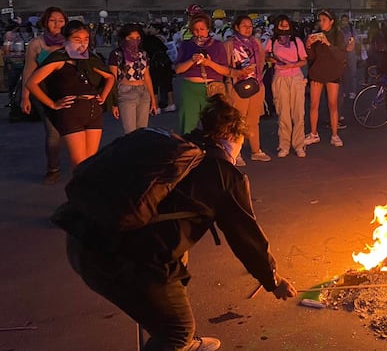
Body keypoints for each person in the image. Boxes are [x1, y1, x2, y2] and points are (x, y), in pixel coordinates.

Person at [62, 94, 298, 351]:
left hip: (80, 233)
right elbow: (246, 237)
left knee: (178, 268)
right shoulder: (224, 175)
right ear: (232, 139)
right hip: (118, 260)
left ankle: (177, 336)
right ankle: (180, 340)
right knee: (176, 331)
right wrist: (272, 280)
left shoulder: (177, 147)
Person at [26, 20, 116, 168]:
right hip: (71, 112)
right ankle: (79, 189)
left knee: (92, 161)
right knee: (79, 162)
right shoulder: (59, 59)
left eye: (86, 39)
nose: (82, 43)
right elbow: (31, 82)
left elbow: (110, 76)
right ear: (66, 39)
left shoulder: (91, 59)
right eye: (77, 39)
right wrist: (52, 104)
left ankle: (88, 190)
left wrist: (103, 96)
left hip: (93, 110)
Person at [20, 7, 68, 184]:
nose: (56, 24)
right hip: (44, 92)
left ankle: (81, 165)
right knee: (53, 132)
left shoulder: (70, 41)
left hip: (67, 91)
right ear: (45, 22)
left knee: (73, 131)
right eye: (52, 20)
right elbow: (29, 71)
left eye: (60, 20)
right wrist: (25, 96)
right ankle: (53, 169)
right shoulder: (37, 44)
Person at [174, 13, 236, 135]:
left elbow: (225, 70)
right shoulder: (186, 45)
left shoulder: (217, 45)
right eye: (195, 30)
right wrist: (192, 60)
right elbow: (178, 69)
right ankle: (189, 150)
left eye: (202, 29)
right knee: (188, 124)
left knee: (214, 123)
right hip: (190, 88)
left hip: (212, 88)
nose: (199, 33)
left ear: (208, 29)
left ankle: (213, 151)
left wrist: (209, 63)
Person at [223, 15, 270, 165]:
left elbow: (261, 60)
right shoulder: (229, 44)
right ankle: (235, 152)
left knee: (253, 120)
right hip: (238, 85)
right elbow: (225, 67)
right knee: (237, 119)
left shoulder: (256, 42)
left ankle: (256, 150)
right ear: (236, 27)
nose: (248, 28)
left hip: (256, 84)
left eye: (250, 26)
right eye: (244, 26)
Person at [266, 15, 308, 157]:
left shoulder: (296, 41)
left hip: (296, 77)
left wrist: (293, 65)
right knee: (283, 112)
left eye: (286, 25)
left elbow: (304, 60)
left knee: (298, 113)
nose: (284, 27)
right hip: (280, 79)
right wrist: (273, 60)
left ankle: (299, 145)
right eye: (281, 25)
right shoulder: (272, 42)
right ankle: (284, 145)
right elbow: (266, 56)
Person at [304, 9, 347, 148]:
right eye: (320, 20)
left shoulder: (338, 35)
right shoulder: (315, 35)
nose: (321, 23)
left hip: (333, 73)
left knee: (333, 105)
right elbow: (310, 57)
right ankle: (313, 133)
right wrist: (308, 45)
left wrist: (328, 43)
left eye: (324, 20)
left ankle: (335, 135)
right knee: (314, 105)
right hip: (317, 73)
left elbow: (341, 56)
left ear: (331, 21)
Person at [108, 23, 158, 134]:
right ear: (124, 38)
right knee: (130, 132)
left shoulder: (143, 54)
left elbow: (147, 76)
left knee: (142, 131)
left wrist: (153, 100)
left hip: (143, 91)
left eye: (137, 38)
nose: (134, 41)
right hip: (126, 91)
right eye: (130, 38)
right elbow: (113, 78)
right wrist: (113, 102)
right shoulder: (116, 54)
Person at [142, 24, 176, 113]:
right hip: (165, 61)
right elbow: (164, 48)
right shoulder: (157, 39)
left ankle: (156, 106)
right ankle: (171, 104)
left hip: (154, 63)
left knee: (154, 84)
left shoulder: (145, 40)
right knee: (168, 83)